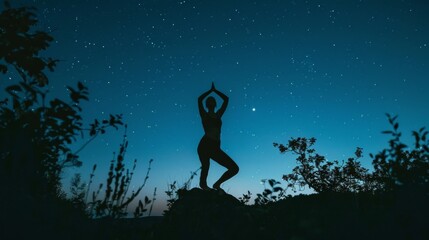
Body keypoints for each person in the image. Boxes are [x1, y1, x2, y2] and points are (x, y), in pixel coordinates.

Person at [197, 82, 239, 192]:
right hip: (205, 145)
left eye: (213, 100)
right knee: (206, 166)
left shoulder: (219, 114)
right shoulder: (204, 115)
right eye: (209, 101)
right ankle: (203, 186)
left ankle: (217, 184)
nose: (211, 102)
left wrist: (215, 91)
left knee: (234, 168)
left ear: (215, 104)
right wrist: (209, 91)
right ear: (206, 104)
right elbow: (199, 99)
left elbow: (226, 99)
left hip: (215, 146)